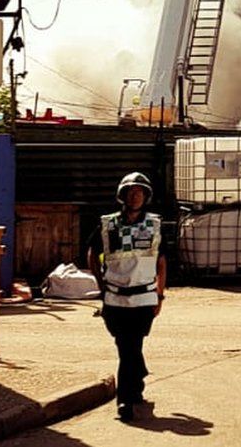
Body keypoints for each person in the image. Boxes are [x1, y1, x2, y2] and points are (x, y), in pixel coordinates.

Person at [87, 172, 167, 422]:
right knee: (126, 346)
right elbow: (92, 253)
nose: (135, 197)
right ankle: (139, 375)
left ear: (146, 197)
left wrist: (160, 295)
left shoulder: (154, 225)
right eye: (131, 193)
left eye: (139, 193)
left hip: (144, 298)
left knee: (130, 346)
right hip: (114, 298)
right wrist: (101, 285)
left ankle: (125, 400)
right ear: (123, 196)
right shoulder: (107, 224)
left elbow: (162, 261)